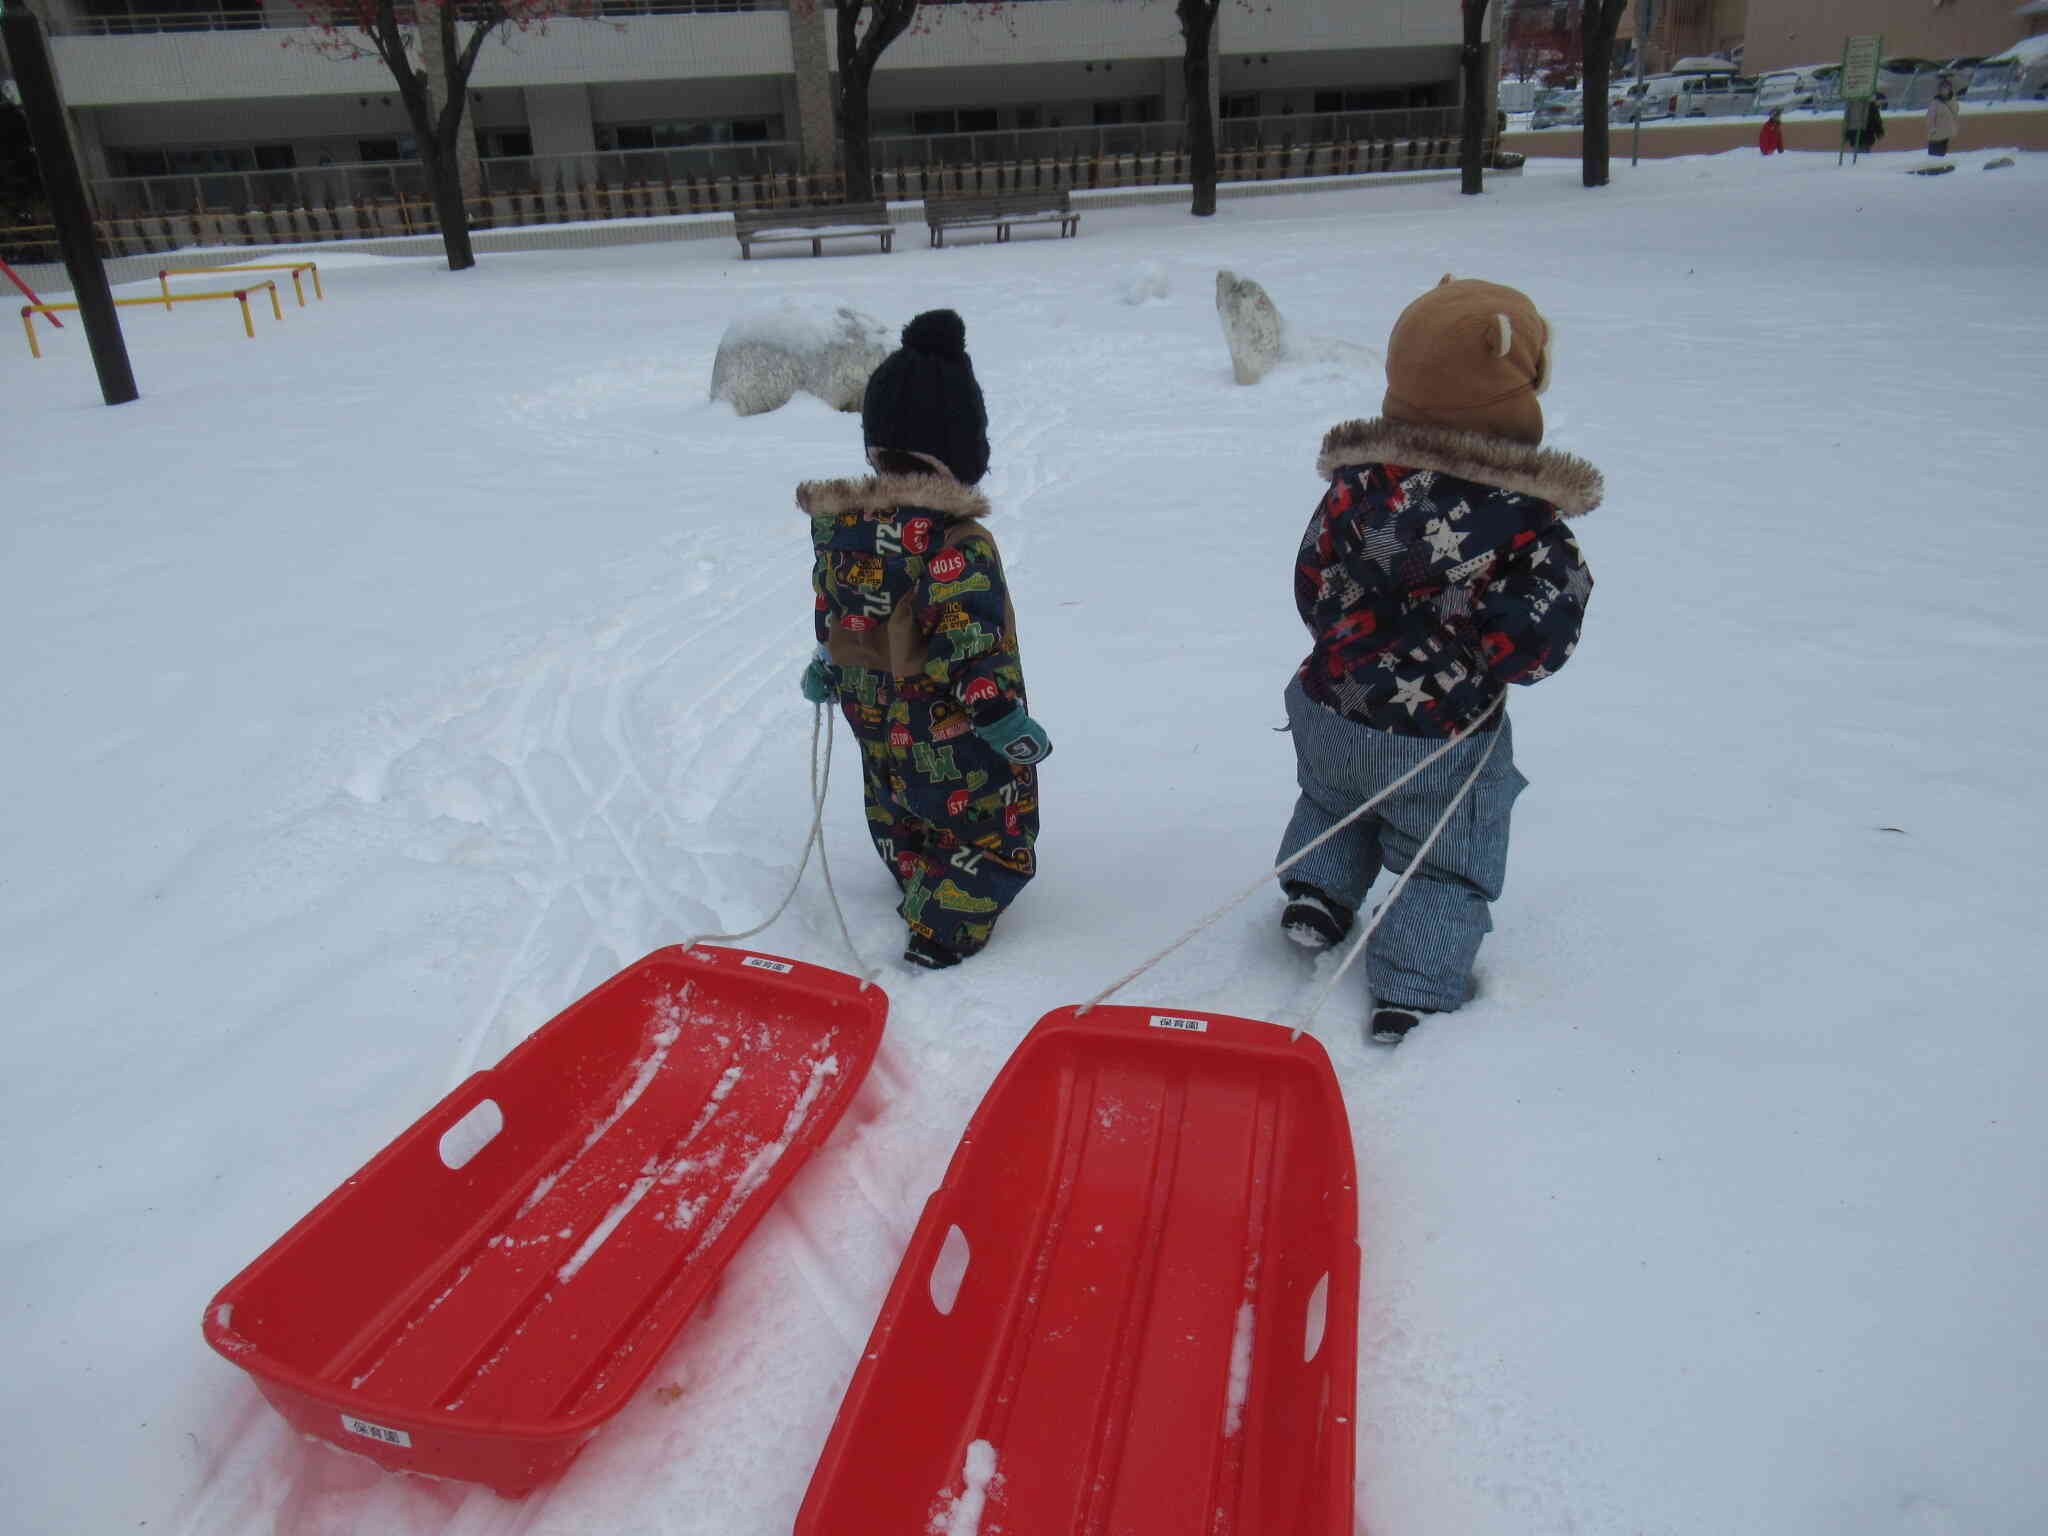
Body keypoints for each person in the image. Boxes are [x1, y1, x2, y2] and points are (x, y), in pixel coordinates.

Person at [1274, 276, 1601, 1045]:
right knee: (1447, 854)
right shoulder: (1527, 523)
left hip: (1329, 703)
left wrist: (1349, 640)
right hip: (1440, 735)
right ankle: (1414, 983)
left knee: (1335, 803)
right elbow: (1529, 650)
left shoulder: (1356, 486)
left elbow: (1311, 580)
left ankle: (1317, 892)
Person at [797, 309, 1049, 971]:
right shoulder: (955, 541)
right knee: (988, 825)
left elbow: (835, 604)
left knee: (896, 802)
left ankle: (912, 870)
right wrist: (997, 715)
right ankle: (944, 927)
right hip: (950, 723)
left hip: (875, 713)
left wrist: (826, 659)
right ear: (960, 451)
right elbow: (969, 637)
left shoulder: (847, 528)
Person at [1926, 80, 1960, 157]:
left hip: (1949, 135)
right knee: (1936, 158)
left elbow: (1955, 115)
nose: (1944, 90)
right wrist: (1932, 130)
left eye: (1946, 88)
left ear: (1950, 89)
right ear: (1939, 90)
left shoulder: (1954, 101)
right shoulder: (1935, 103)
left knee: (1948, 157)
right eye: (1942, 89)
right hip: (1937, 136)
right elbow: (1930, 118)